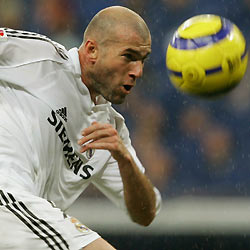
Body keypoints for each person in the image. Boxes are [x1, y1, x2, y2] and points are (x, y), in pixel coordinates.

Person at [0, 5, 161, 250]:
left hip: (25, 220)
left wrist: (125, 160)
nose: (138, 72)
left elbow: (145, 213)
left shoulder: (110, 132)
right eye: (128, 56)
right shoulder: (43, 58)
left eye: (142, 60)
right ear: (92, 50)